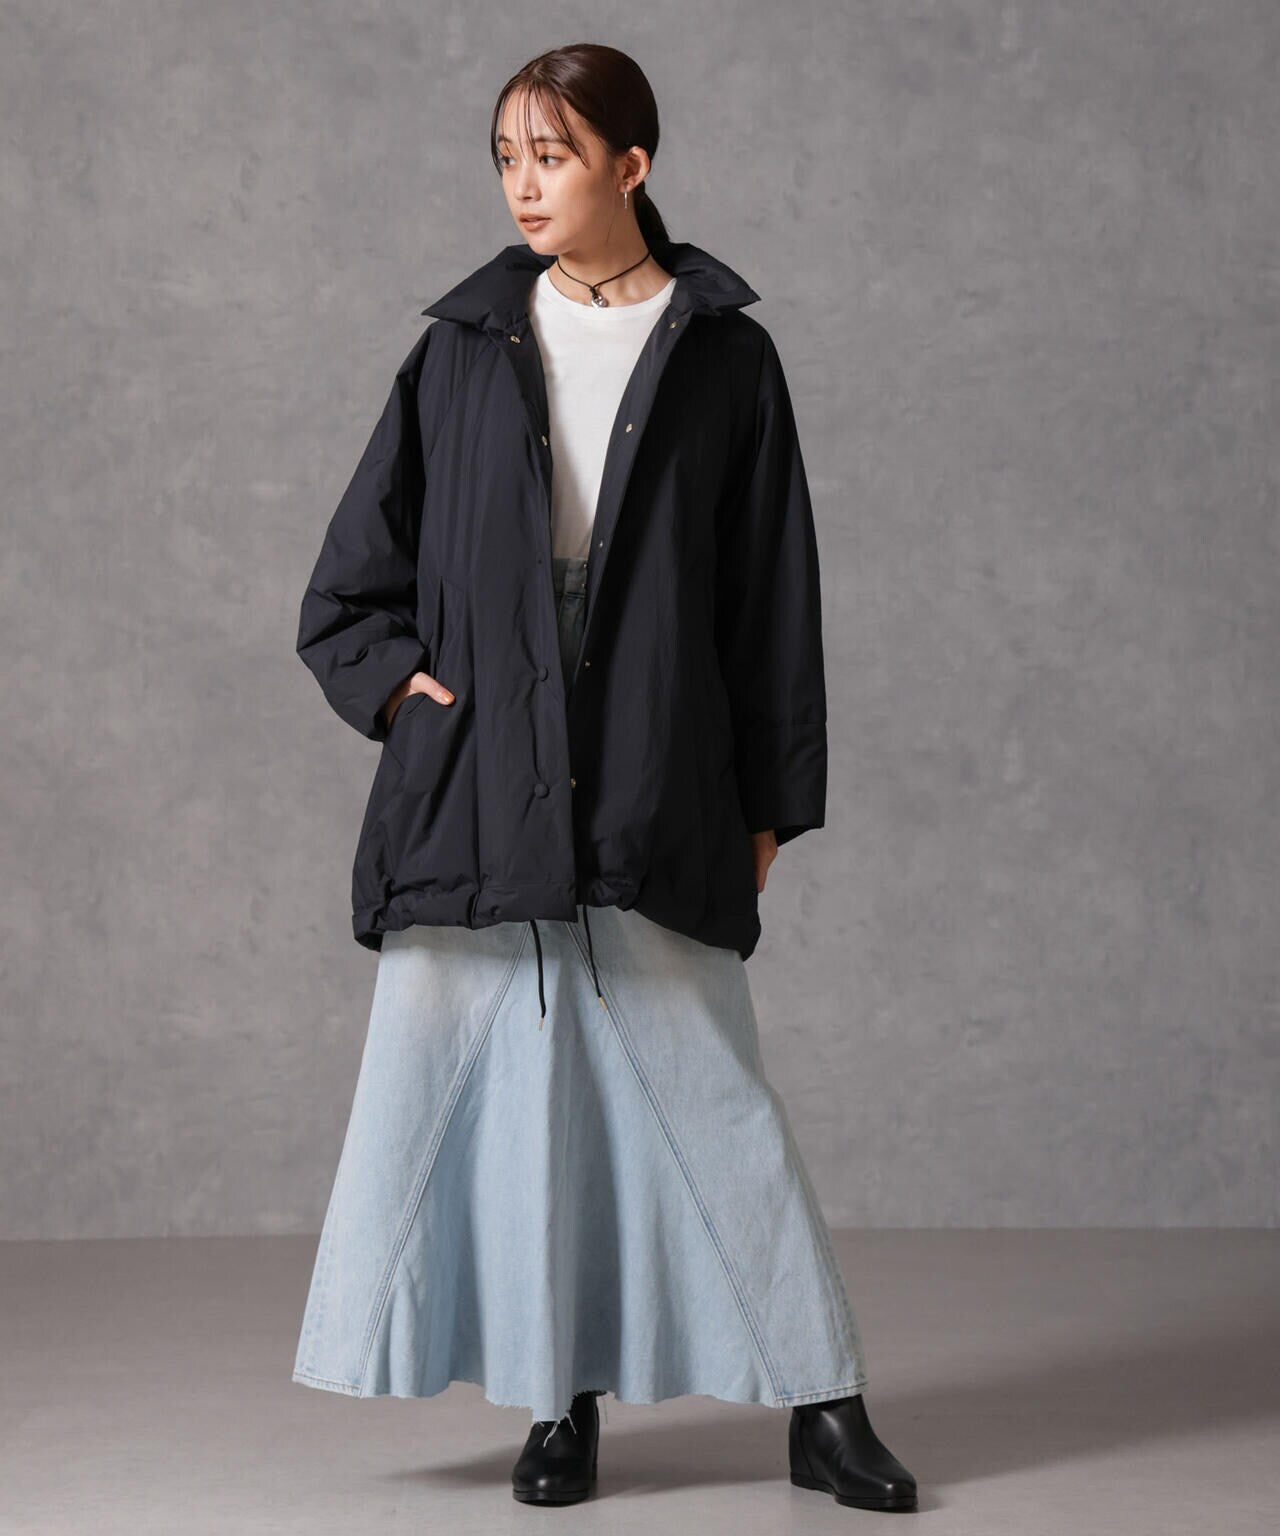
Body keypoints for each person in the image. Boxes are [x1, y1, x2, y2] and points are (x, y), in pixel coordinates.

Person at [291, 42, 918, 1514]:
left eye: (554, 154)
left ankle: (823, 1404)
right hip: (479, 782)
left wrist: (772, 800)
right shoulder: (459, 349)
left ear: (632, 166)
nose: (524, 184)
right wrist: (404, 695)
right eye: (507, 155)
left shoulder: (723, 358)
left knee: (709, 1089)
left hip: (651, 768)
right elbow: (349, 587)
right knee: (519, 1103)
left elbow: (771, 599)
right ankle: (556, 1404)